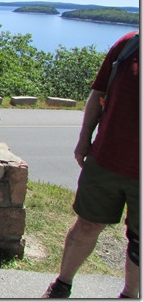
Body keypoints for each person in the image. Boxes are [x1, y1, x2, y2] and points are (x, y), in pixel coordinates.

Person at [43, 31, 139, 298]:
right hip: (105, 160)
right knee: (86, 225)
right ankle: (61, 285)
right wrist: (84, 139)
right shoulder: (128, 45)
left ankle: (130, 295)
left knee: (139, 242)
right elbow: (98, 92)